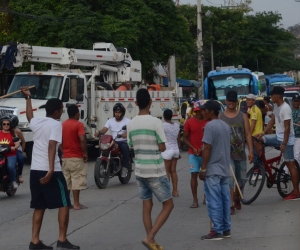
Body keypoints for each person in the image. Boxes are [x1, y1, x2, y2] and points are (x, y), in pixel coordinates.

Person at [20, 87, 80, 250]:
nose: (62, 112)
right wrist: (52, 169)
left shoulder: (38, 122)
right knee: (64, 203)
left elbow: (29, 116)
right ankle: (62, 239)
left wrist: (28, 98)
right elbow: (52, 146)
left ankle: (35, 241)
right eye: (61, 110)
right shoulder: (55, 124)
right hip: (50, 169)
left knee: (39, 205)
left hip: (35, 170)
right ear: (56, 111)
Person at [127, 88, 173, 250]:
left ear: (136, 103)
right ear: (151, 102)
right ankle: (150, 237)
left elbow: (131, 145)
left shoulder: (130, 124)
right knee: (168, 205)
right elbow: (162, 147)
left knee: (147, 206)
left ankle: (151, 241)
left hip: (139, 171)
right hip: (155, 171)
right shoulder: (155, 122)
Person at [257, 86, 299, 200]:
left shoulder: (286, 108)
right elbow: (273, 120)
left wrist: (284, 144)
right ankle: (261, 164)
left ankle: (296, 192)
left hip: (287, 139)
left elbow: (287, 128)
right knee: (259, 139)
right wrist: (263, 133)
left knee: (290, 165)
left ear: (278, 96)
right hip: (277, 136)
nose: (271, 97)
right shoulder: (276, 106)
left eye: (272, 95)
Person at [199, 100, 231, 240]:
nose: (202, 112)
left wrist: (203, 168)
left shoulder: (209, 126)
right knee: (224, 199)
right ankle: (226, 228)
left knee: (214, 200)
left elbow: (207, 147)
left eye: (205, 110)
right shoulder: (225, 125)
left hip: (213, 168)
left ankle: (217, 229)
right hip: (224, 167)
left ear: (211, 111)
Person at [220, 90, 254, 215]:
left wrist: (251, 151)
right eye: (229, 101)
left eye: (233, 101)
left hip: (240, 153)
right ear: (226, 101)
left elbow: (248, 134)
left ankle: (236, 197)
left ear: (237, 102)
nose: (231, 103)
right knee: (230, 179)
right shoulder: (220, 116)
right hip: (226, 154)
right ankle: (230, 205)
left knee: (241, 179)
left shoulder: (243, 116)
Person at [61, 105, 88, 210]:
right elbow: (82, 139)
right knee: (76, 179)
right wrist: (85, 153)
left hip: (66, 157)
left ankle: (66, 203)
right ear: (77, 113)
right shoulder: (79, 125)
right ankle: (76, 203)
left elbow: (59, 141)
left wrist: (63, 151)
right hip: (76, 156)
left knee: (67, 180)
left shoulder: (63, 125)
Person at [183, 100, 208, 208]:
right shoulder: (189, 122)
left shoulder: (208, 122)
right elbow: (185, 138)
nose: (202, 112)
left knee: (206, 175)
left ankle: (206, 196)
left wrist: (203, 148)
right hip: (193, 153)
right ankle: (195, 199)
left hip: (205, 153)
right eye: (201, 110)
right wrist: (193, 148)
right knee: (194, 175)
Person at [95, 103, 130, 177]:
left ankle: (125, 167)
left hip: (122, 141)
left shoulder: (127, 121)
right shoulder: (110, 121)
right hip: (113, 141)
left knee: (125, 148)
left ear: (122, 113)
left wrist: (125, 135)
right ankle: (103, 163)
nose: (117, 114)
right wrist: (98, 132)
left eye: (119, 112)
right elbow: (104, 130)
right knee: (102, 147)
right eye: (116, 112)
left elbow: (132, 132)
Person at [161, 109, 180, 197]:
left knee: (166, 172)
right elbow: (178, 139)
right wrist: (178, 150)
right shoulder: (176, 125)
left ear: (164, 117)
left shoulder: (163, 126)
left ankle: (167, 192)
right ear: (172, 116)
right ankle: (175, 191)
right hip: (175, 149)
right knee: (173, 171)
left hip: (167, 150)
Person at [0, 114, 20, 189]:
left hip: (10, 155)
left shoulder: (12, 133)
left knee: (10, 167)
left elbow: (17, 144)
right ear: (1, 125)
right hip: (1, 154)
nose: (6, 125)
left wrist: (13, 148)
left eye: (8, 124)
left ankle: (13, 181)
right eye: (4, 124)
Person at [291, 95, 300, 165]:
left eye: (298, 101)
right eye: (295, 101)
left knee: (296, 156)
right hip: (290, 136)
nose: (296, 103)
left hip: (298, 137)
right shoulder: (289, 111)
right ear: (292, 102)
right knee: (288, 158)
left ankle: (297, 173)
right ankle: (286, 174)